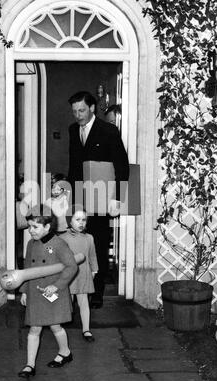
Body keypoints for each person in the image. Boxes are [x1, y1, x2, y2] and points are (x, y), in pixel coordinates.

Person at [67, 91, 129, 308]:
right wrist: (70, 196)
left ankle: (97, 292)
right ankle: (78, 289)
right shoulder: (73, 130)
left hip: (102, 198)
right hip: (80, 198)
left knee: (99, 244)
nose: (78, 115)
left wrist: (117, 198)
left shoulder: (108, 130)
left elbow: (121, 166)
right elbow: (73, 165)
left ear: (92, 108)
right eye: (74, 111)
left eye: (82, 110)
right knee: (78, 244)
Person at [18, 204, 78, 377]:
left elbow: (71, 267)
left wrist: (57, 286)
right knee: (34, 328)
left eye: (35, 227)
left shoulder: (59, 244)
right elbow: (27, 270)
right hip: (36, 293)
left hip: (54, 292)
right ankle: (29, 365)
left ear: (47, 226)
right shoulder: (30, 244)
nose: (31, 230)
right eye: (29, 226)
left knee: (55, 325)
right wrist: (24, 291)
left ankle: (65, 352)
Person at [60, 205, 98, 342]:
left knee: (84, 302)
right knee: (67, 301)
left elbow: (92, 255)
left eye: (84, 220)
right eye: (77, 219)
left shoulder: (89, 238)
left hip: (83, 274)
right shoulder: (63, 238)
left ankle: (86, 329)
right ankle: (59, 326)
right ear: (70, 221)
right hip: (69, 274)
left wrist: (94, 270)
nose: (81, 223)